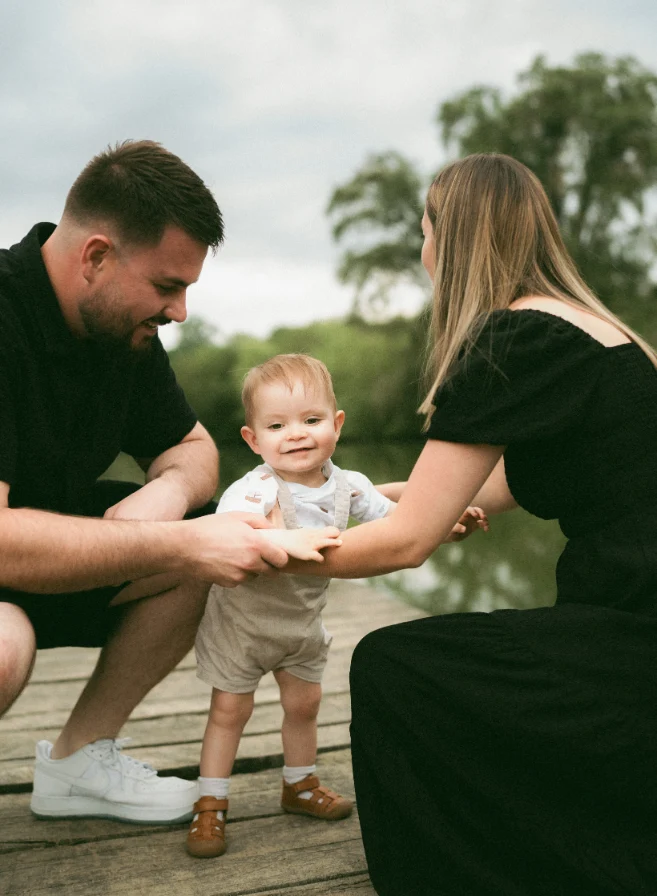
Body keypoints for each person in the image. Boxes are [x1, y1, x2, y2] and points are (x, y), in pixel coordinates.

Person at [283, 153, 657, 895]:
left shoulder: (511, 339)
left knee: (393, 666)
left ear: (447, 239)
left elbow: (408, 539)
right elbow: (458, 490)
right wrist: (321, 495)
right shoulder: (597, 335)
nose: (421, 251)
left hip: (633, 650)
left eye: (422, 231)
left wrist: (257, 552)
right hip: (627, 628)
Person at [0, 140, 315, 826]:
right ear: (96, 257)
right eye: (168, 286)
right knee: (4, 646)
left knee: (207, 542)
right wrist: (172, 543)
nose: (179, 312)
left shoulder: (122, 331)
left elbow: (193, 448)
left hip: (42, 554)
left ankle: (80, 762)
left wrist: (168, 498)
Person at [186, 353, 393, 857]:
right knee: (229, 711)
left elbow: (396, 522)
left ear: (336, 426)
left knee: (304, 705)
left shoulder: (349, 486)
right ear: (254, 440)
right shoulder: (255, 489)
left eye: (311, 420)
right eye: (277, 426)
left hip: (301, 625)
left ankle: (299, 785)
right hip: (243, 626)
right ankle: (210, 805)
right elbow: (230, 531)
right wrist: (279, 540)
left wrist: (450, 523)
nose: (296, 434)